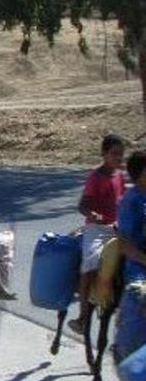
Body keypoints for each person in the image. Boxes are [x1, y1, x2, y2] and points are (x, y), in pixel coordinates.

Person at [66, 135, 126, 333]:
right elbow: (83, 205)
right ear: (104, 154)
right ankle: (82, 318)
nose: (118, 158)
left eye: (121, 154)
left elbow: (122, 202)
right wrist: (93, 215)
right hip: (97, 230)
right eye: (114, 154)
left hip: (116, 228)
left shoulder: (119, 176)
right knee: (90, 263)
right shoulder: (95, 177)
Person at [118, 150, 146, 287]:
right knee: (139, 292)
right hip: (138, 264)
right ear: (139, 174)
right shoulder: (130, 201)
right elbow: (124, 245)